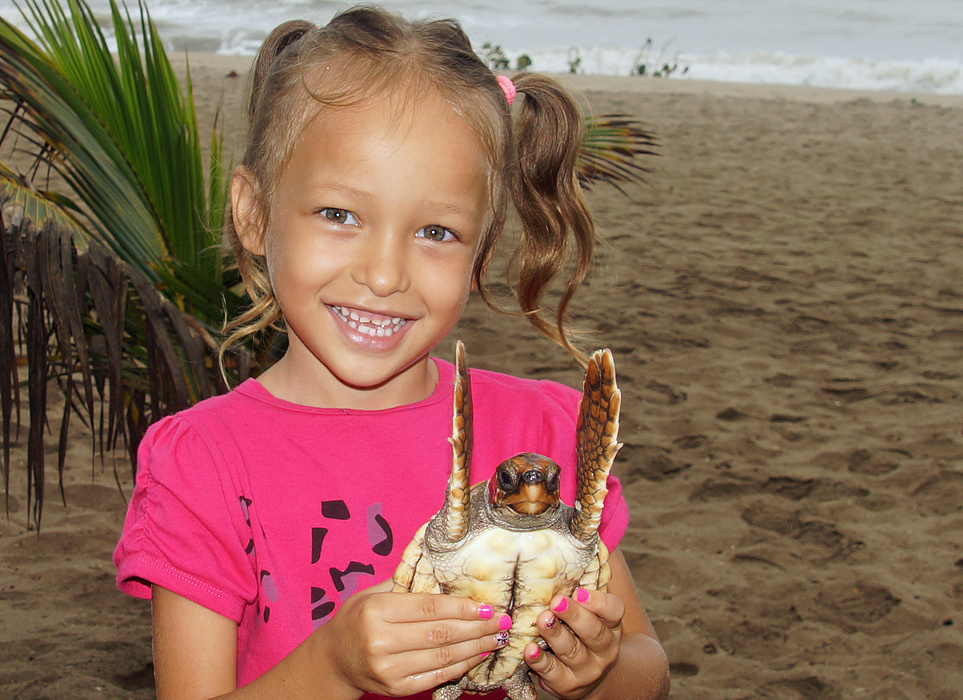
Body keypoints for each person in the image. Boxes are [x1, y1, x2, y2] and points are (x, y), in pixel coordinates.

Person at [113, 6, 669, 700]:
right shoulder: (203, 463)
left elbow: (647, 671)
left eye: (435, 230)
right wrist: (331, 668)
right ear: (253, 214)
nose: (383, 274)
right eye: (339, 215)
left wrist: (597, 672)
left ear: (481, 253)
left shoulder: (541, 441)